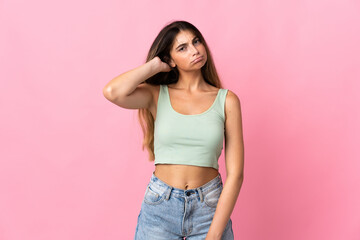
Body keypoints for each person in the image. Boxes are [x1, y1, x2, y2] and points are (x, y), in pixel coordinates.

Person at [103, 20, 244, 240]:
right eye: (182, 47)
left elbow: (236, 174)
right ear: (170, 59)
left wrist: (214, 235)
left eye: (196, 41)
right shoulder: (156, 95)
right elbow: (113, 92)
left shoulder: (227, 101)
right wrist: (155, 66)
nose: (195, 50)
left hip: (209, 206)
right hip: (160, 205)